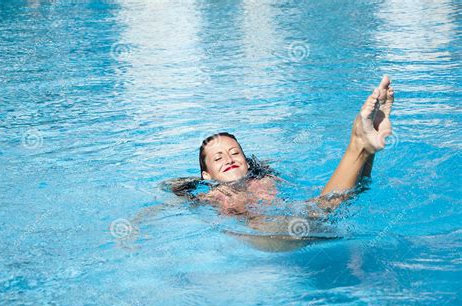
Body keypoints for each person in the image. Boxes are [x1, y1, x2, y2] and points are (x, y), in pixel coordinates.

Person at [161, 76, 394, 251]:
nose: (229, 159)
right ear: (207, 175)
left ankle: (363, 145)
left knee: (334, 204)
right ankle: (364, 146)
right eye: (218, 158)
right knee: (324, 210)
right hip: (263, 233)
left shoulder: (266, 179)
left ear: (247, 163)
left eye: (234, 153)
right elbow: (161, 207)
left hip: (290, 224)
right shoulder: (210, 196)